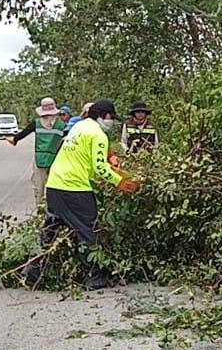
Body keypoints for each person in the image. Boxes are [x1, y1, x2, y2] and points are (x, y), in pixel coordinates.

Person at [22, 99, 140, 290]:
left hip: (55, 185)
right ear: (106, 117)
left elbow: (83, 160)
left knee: (50, 231)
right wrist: (121, 181)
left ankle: (31, 272)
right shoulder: (98, 134)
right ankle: (94, 277)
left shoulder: (78, 127)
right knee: (87, 230)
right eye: (111, 119)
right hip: (75, 189)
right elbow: (99, 167)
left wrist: (103, 174)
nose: (111, 123)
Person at [7, 97, 67, 202]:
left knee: (39, 188)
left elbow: (23, 133)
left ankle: (40, 208)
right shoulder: (62, 126)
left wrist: (14, 139)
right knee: (54, 187)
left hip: (39, 159)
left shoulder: (37, 123)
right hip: (56, 160)